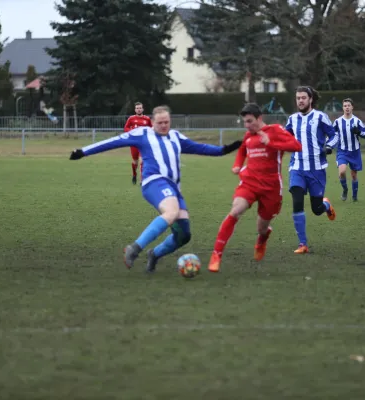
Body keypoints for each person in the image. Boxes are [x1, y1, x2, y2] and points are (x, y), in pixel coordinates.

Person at [69, 105, 242, 272]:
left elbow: (201, 148)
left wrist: (225, 150)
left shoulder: (175, 136)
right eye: (160, 122)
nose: (164, 125)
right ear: (152, 122)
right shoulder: (142, 134)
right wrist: (83, 151)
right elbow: (113, 142)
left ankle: (155, 254)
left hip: (174, 188)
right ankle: (134, 248)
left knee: (184, 235)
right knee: (171, 211)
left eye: (166, 122)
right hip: (154, 182)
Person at [208, 103, 302, 273]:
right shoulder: (248, 136)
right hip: (249, 182)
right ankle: (216, 255)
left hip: (271, 188)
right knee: (236, 210)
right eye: (244, 122)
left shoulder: (276, 130)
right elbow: (242, 151)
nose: (247, 125)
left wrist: (271, 142)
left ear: (259, 118)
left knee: (262, 227)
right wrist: (237, 165)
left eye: (250, 121)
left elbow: (296, 146)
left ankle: (262, 238)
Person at [285, 86, 338, 254]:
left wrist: (329, 147)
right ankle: (303, 244)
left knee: (316, 209)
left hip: (316, 170)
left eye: (303, 98)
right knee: (297, 201)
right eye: (298, 98)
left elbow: (335, 135)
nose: (300, 100)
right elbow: (284, 137)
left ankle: (326, 205)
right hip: (297, 167)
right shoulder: (292, 119)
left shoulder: (320, 117)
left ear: (310, 99)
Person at [333, 98, 365, 201]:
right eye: (345, 106)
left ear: (352, 107)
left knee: (354, 175)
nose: (347, 107)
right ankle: (345, 190)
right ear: (343, 108)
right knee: (342, 172)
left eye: (348, 105)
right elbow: (332, 134)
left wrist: (358, 132)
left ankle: (354, 196)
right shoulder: (338, 121)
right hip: (342, 151)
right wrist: (328, 144)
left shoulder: (357, 121)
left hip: (354, 151)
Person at [124, 102, 152, 185]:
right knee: (135, 162)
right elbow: (126, 128)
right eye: (137, 108)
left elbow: (151, 128)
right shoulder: (131, 118)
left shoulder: (147, 119)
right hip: (134, 143)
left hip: (143, 143)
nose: (139, 109)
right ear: (135, 109)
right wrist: (132, 132)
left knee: (142, 161)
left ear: (142, 109)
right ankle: (134, 174)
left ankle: (142, 180)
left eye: (140, 108)